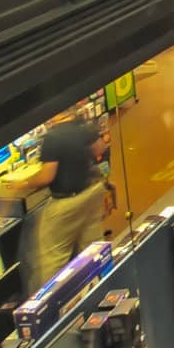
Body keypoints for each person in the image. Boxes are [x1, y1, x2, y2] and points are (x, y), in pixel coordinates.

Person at [14, 112, 109, 289]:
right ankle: (101, 288)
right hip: (92, 193)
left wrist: (23, 183)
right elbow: (100, 148)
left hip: (67, 203)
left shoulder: (53, 137)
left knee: (53, 258)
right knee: (92, 249)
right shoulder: (83, 127)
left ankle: (51, 304)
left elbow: (47, 176)